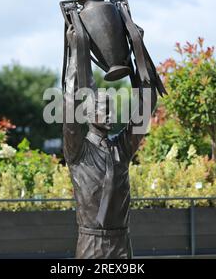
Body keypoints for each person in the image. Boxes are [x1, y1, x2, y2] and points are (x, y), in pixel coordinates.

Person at [62, 24, 158, 259]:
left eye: (111, 108)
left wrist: (138, 50)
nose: (108, 113)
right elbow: (70, 102)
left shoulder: (121, 148)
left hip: (121, 243)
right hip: (90, 244)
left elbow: (146, 106)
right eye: (101, 108)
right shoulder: (78, 151)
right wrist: (77, 52)